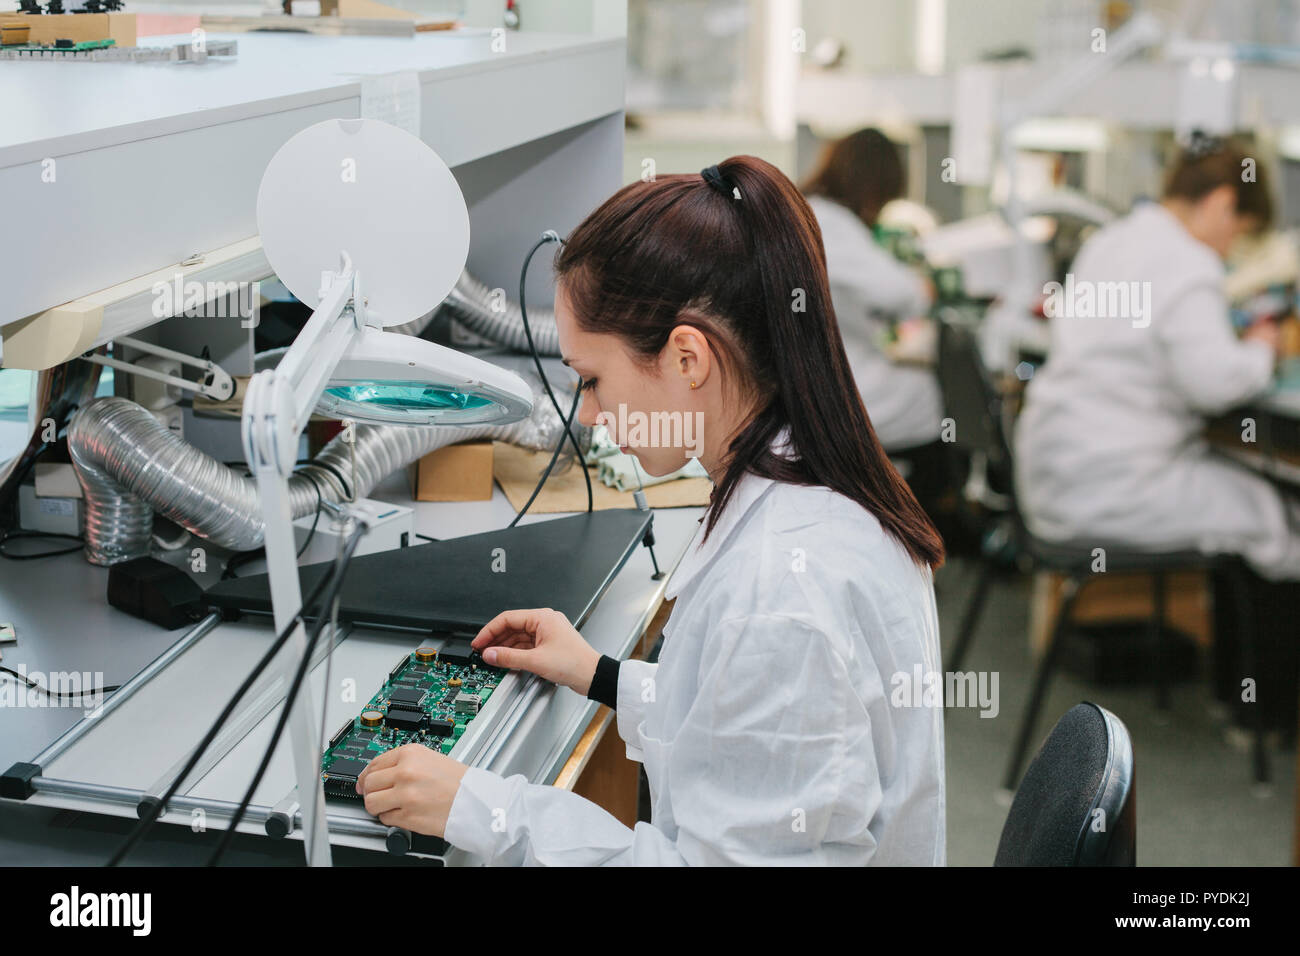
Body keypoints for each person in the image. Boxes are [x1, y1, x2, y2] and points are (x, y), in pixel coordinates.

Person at [354, 156, 947, 865]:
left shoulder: (780, 588)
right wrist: (600, 675)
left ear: (688, 357)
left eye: (594, 380)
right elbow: (747, 728)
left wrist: (484, 809)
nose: (591, 414)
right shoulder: (808, 489)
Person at [1014, 135, 1300, 580]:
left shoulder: (1109, 241)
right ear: (1223, 203)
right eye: (1239, 233)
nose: (1229, 249)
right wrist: (1264, 346)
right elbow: (1215, 385)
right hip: (1112, 488)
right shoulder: (1189, 261)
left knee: (1243, 493)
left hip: (1049, 477)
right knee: (1273, 514)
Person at [801, 128, 945, 454]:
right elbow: (896, 292)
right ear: (875, 187)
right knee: (931, 396)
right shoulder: (830, 221)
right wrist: (924, 288)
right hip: (830, 395)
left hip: (809, 384)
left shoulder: (809, 211)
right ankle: (930, 500)